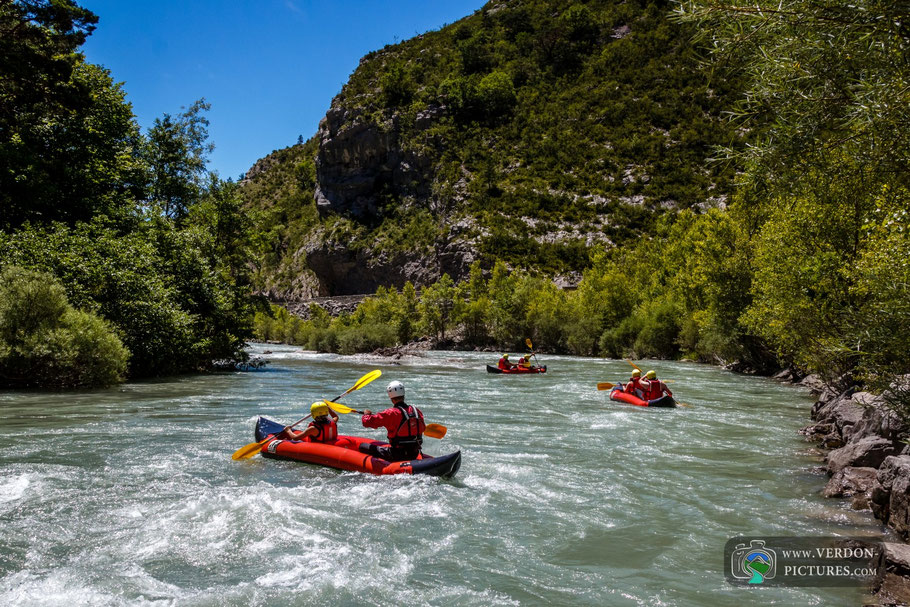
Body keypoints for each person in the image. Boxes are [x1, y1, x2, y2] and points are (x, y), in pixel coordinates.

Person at [359, 381, 426, 461]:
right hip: (414, 454)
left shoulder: (391, 413)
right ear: (403, 394)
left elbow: (367, 422)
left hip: (396, 455)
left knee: (362, 446)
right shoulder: (416, 411)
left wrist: (366, 414)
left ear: (390, 396)